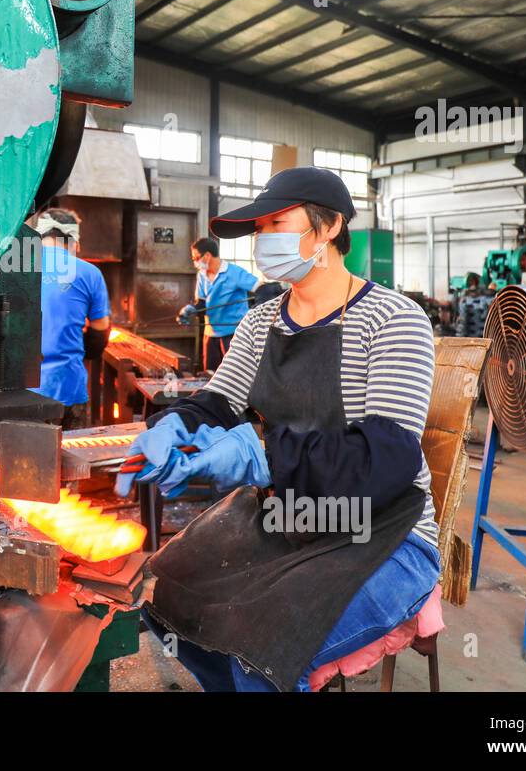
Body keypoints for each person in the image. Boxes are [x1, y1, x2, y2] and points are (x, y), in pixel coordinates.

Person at [117, 167, 440, 692]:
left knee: (258, 647)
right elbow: (219, 402)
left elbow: (388, 459)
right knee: (171, 595)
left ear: (330, 225)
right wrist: (173, 425)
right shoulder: (259, 321)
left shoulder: (393, 318)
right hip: (287, 515)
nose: (265, 240)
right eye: (259, 229)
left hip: (383, 531)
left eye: (277, 223)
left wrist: (264, 454)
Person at [29, 208, 110, 430]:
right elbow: (100, 330)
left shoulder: (17, 267)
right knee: (71, 460)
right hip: (69, 386)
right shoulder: (90, 272)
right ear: (73, 239)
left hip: (23, 393)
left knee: (25, 462)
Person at [178, 237, 258, 372]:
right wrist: (190, 310)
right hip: (211, 334)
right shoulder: (202, 275)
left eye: (196, 258)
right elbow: (202, 303)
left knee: (234, 374)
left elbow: (259, 288)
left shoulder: (234, 272)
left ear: (207, 256)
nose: (195, 262)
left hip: (233, 334)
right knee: (210, 373)